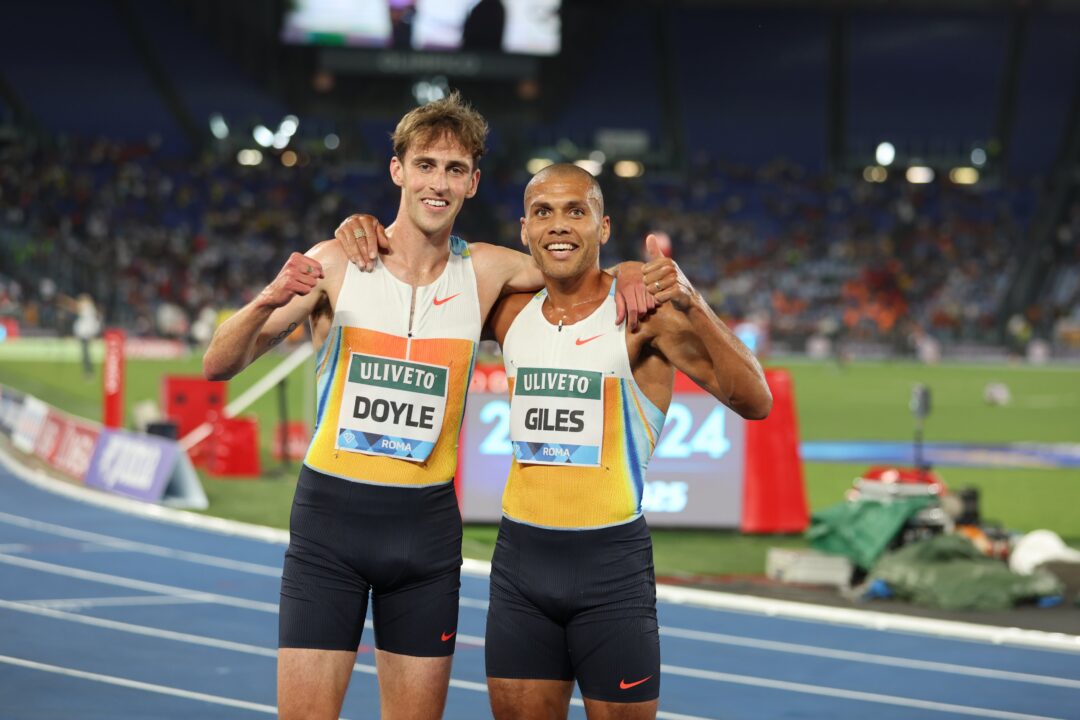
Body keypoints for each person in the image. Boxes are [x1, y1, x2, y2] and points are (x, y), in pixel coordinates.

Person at [203, 93, 648, 720]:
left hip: (425, 536)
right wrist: (265, 300)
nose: (438, 183)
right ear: (398, 170)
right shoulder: (335, 262)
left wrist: (629, 269)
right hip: (329, 527)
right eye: (425, 165)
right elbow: (217, 364)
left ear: (473, 183)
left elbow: (573, 262)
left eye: (454, 169)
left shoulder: (488, 271)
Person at [482, 163, 773, 720]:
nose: (558, 225)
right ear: (524, 230)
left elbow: (756, 401)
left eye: (576, 211)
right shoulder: (508, 312)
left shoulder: (643, 317)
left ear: (604, 226)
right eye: (543, 212)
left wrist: (693, 303)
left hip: (609, 571)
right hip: (520, 565)